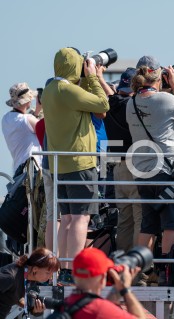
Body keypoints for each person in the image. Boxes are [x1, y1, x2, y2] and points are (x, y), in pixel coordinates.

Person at [42, 47, 110, 284]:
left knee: (68, 219)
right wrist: (91, 76)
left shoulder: (50, 89)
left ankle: (63, 269)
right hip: (80, 162)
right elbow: (103, 104)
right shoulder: (67, 90)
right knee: (81, 219)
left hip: (60, 163)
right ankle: (74, 271)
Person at [126, 57, 174, 258]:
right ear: (159, 76)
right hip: (168, 172)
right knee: (172, 223)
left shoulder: (131, 102)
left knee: (149, 224)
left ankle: (142, 270)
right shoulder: (165, 99)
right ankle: (168, 271)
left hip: (143, 172)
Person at [100, 67, 142, 253]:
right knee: (140, 218)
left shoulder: (109, 104)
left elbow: (114, 95)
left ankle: (122, 264)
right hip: (135, 166)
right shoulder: (133, 105)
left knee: (124, 220)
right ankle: (137, 268)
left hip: (117, 168)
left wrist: (99, 77)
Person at [64, 247, 145, 319]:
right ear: (103, 278)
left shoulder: (66, 304)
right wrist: (126, 289)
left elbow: (108, 308)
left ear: (73, 274)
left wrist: (117, 288)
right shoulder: (100, 310)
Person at [0, 247, 60, 318]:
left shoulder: (30, 278)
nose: (50, 277)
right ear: (35, 269)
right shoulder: (10, 277)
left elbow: (15, 296)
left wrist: (35, 310)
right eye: (48, 273)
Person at [2, 82, 42, 173]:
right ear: (27, 100)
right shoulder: (27, 119)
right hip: (33, 171)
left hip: (19, 171)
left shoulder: (5, 119)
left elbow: (24, 127)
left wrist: (36, 112)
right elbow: (46, 129)